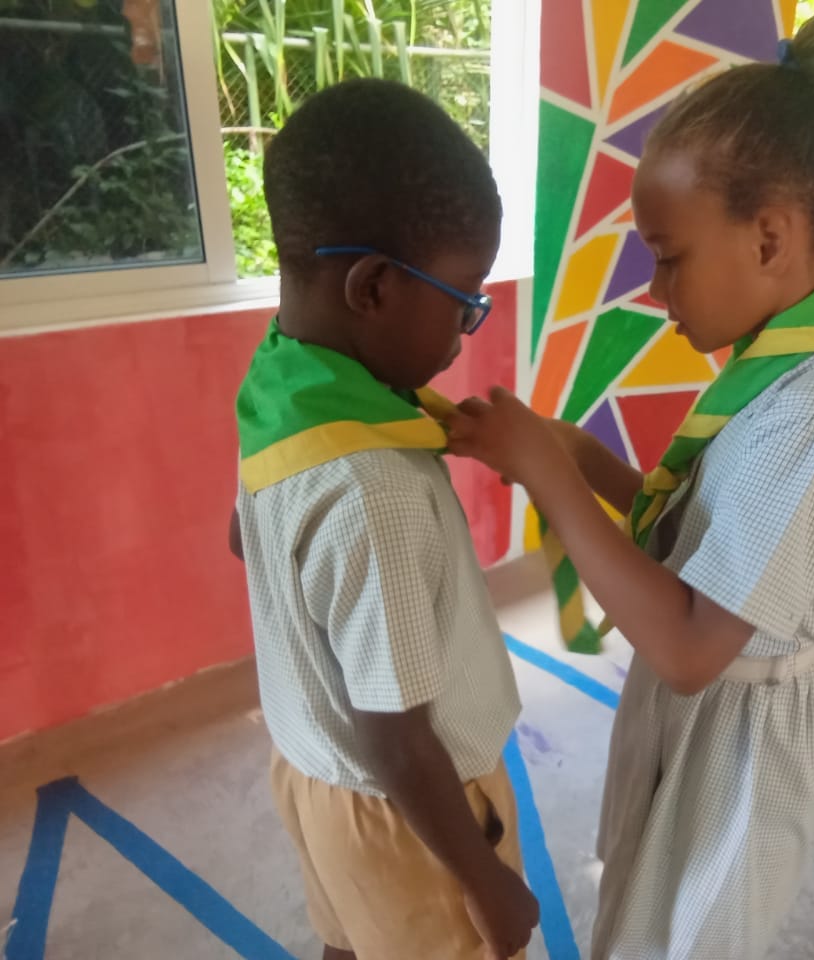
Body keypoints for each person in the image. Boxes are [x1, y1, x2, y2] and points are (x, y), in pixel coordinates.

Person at [448, 6, 814, 958]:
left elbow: (694, 643)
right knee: (641, 918)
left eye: (670, 256)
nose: (656, 290)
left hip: (743, 742)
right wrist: (585, 461)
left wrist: (544, 475)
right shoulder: (778, 365)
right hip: (706, 705)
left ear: (770, 238)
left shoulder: (813, 413)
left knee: (687, 941)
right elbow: (700, 534)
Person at [230, 79, 538, 960]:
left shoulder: (283, 376)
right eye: (462, 301)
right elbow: (399, 738)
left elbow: (242, 533)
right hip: (413, 816)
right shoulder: (377, 489)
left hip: (312, 777)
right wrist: (487, 885)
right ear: (372, 288)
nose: (466, 331)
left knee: (350, 939)